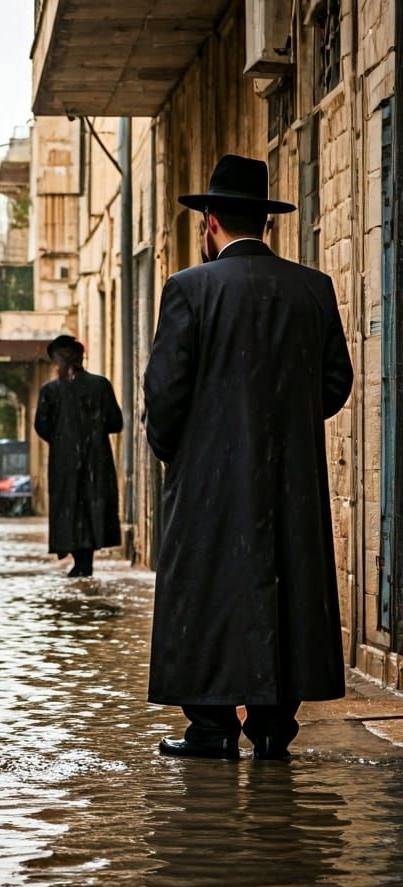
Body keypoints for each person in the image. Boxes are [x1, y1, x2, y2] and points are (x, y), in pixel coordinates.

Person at [143, 153, 354, 761]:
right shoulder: (314, 288)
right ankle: (271, 729)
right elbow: (335, 383)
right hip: (291, 476)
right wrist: (286, 427)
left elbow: (165, 392)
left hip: (207, 476)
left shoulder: (188, 288)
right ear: (265, 222)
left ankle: (210, 730)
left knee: (206, 588)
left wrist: (182, 455)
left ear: (209, 222)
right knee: (289, 582)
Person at [33, 335, 122, 577]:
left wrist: (62, 440)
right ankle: (85, 563)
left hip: (66, 462)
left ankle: (81, 563)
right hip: (96, 460)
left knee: (70, 506)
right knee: (90, 505)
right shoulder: (100, 385)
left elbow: (42, 425)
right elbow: (115, 422)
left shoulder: (50, 391)